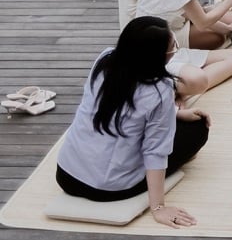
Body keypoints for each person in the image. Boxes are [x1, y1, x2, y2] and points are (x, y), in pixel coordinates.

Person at [56, 17, 210, 229]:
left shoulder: (105, 60)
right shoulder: (160, 89)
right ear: (157, 57)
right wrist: (158, 208)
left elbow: (117, 108)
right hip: (108, 188)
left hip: (66, 174)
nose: (175, 50)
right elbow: (155, 150)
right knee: (198, 128)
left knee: (173, 125)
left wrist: (174, 113)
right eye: (173, 46)